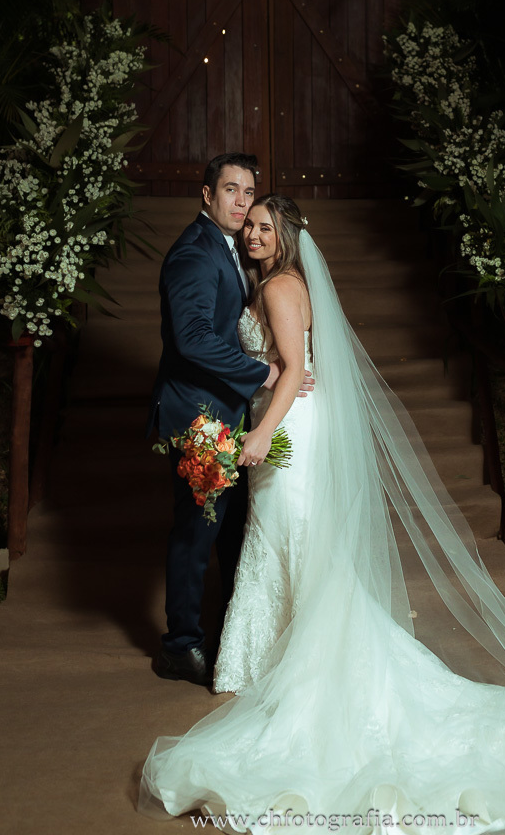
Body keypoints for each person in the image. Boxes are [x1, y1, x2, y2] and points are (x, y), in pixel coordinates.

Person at [140, 197, 505, 832]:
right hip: (279, 423)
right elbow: (284, 368)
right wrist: (262, 391)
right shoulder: (271, 284)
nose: (253, 234)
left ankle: (310, 658)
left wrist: (259, 435)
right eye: (249, 225)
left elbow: (291, 377)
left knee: (294, 534)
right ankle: (276, 656)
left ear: (285, 236)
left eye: (264, 227)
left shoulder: (283, 288)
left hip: (288, 433)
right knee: (276, 536)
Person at [147, 154, 280, 688]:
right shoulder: (194, 253)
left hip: (224, 414)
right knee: (197, 533)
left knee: (227, 529)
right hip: (197, 417)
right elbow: (193, 338)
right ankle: (180, 645)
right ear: (207, 195)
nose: (241, 201)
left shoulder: (226, 248)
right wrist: (262, 373)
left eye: (249, 192)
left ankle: (230, 633)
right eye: (231, 190)